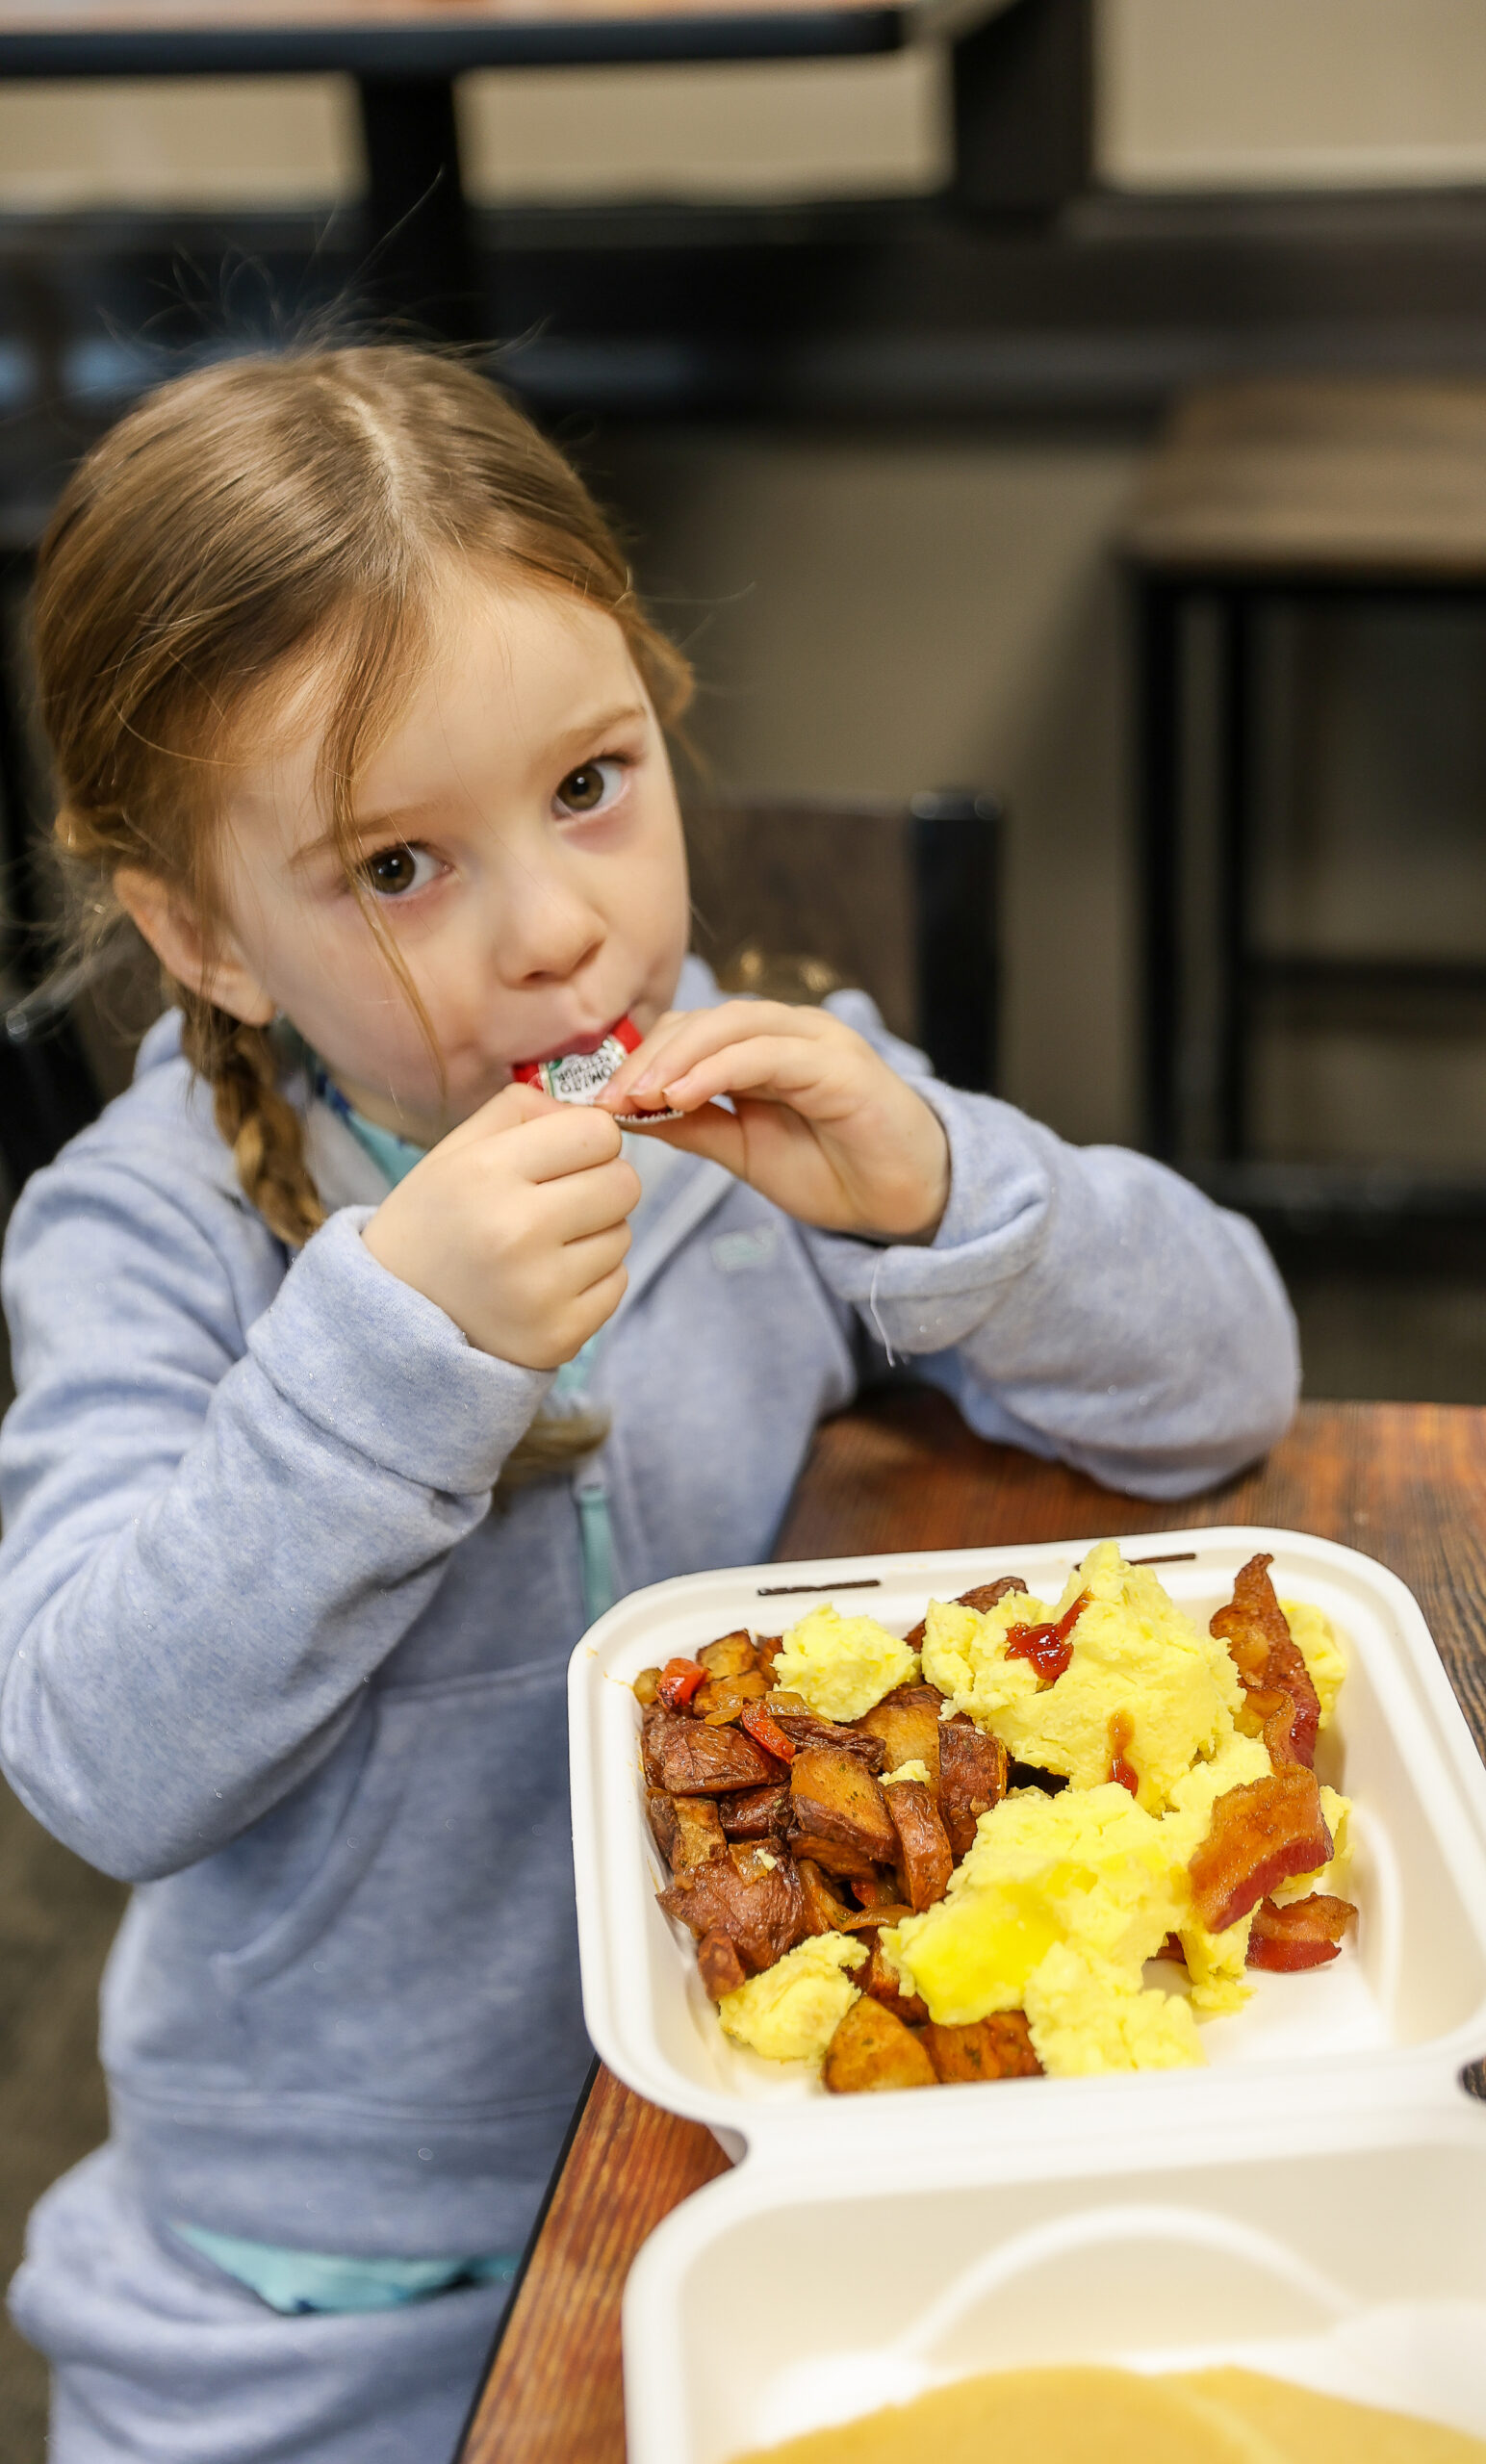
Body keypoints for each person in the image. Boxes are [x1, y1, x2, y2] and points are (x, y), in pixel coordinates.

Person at [0, 345, 1299, 2463]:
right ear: (202, 936)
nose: (560, 929)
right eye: (395, 867)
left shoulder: (764, 1087)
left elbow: (1228, 1376)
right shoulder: (138, 1230)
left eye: (589, 783)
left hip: (781, 2149)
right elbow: (95, 1756)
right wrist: (388, 1350)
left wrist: (941, 1190)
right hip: (340, 2271)